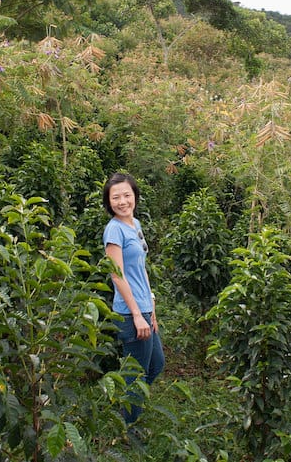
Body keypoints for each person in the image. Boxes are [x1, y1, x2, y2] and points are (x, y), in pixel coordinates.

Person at [102, 172, 164, 425]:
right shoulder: (114, 230)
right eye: (115, 197)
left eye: (127, 195)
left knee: (156, 364)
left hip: (144, 309)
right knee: (136, 374)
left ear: (135, 196)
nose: (122, 201)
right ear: (109, 202)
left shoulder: (134, 225)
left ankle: (127, 409)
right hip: (130, 314)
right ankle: (125, 426)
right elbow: (117, 276)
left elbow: (141, 269)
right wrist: (138, 314)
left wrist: (151, 309)